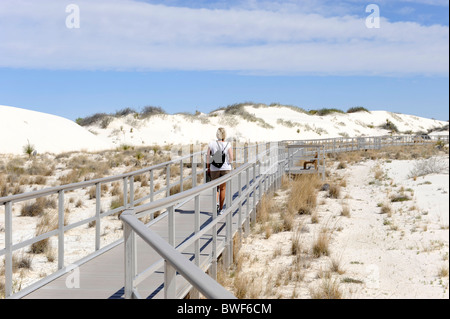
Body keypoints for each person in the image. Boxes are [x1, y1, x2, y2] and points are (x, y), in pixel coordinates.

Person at [207, 127, 233, 215]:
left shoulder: (211, 144)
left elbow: (207, 158)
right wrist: (228, 163)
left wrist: (208, 168)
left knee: (215, 188)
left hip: (214, 168)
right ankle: (221, 209)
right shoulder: (228, 144)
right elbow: (231, 158)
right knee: (223, 188)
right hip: (225, 168)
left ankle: (216, 203)